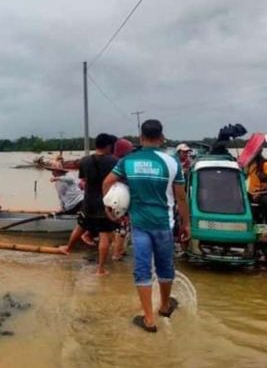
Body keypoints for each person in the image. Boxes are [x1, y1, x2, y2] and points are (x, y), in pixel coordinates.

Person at [103, 119, 190, 333]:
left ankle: (149, 319)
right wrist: (186, 224)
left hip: (140, 224)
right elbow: (181, 197)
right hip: (164, 224)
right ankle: (165, 306)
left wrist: (110, 210)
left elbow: (107, 182)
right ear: (161, 138)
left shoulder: (127, 161)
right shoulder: (172, 162)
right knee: (165, 267)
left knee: (142, 269)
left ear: (141, 138)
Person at [58, 133, 118, 274]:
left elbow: (83, 181)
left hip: (88, 200)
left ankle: (68, 248)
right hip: (106, 201)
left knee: (80, 226)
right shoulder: (114, 161)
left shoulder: (85, 161)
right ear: (109, 146)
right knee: (105, 234)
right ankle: (101, 269)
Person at [112, 138, 135, 261]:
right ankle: (117, 253)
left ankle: (119, 251)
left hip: (117, 197)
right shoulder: (124, 163)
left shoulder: (116, 162)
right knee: (122, 227)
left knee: (121, 226)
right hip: (124, 198)